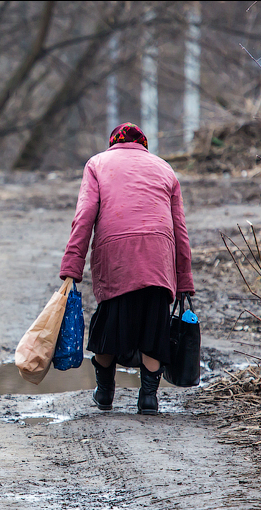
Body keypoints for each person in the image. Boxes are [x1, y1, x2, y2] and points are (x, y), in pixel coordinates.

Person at [59, 122, 195, 415]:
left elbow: (84, 217)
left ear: (113, 143)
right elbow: (180, 229)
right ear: (143, 145)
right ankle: (148, 398)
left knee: (110, 325)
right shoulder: (164, 169)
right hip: (159, 256)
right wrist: (184, 279)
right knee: (153, 328)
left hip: (116, 257)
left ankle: (105, 393)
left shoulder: (97, 164)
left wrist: (72, 265)